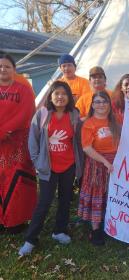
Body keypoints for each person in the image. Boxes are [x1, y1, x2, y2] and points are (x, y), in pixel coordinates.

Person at [18, 81, 83, 256]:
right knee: (44, 203)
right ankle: (30, 239)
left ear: (69, 96)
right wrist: (37, 163)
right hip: (48, 167)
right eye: (56, 94)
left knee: (65, 200)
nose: (60, 97)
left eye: (64, 94)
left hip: (68, 166)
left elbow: (77, 141)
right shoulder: (42, 114)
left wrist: (78, 165)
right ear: (51, 96)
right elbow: (33, 141)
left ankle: (59, 231)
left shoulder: (74, 115)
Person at [0, 52, 37, 234]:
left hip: (17, 145)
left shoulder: (23, 89)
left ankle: (16, 221)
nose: (3, 69)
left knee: (17, 182)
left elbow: (25, 114)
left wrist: (4, 131)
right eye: (0, 66)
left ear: (14, 69)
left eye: (7, 66)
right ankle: (1, 219)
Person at [78, 92, 120, 245]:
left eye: (104, 101)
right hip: (97, 164)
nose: (101, 104)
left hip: (115, 164)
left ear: (109, 104)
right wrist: (105, 162)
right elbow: (87, 148)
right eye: (97, 102)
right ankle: (96, 229)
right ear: (93, 105)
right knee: (97, 194)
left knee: (113, 195)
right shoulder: (89, 123)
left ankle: (112, 224)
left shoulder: (116, 121)